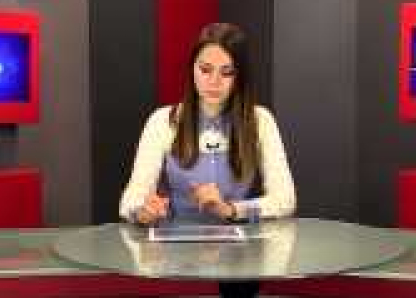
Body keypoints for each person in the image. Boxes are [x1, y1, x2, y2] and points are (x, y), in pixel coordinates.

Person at [119, 22, 296, 225]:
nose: (214, 81)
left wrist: (232, 209)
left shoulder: (261, 121)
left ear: (240, 76)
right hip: (174, 241)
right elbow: (130, 200)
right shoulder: (163, 120)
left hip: (239, 241)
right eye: (205, 70)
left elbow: (285, 200)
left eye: (226, 72)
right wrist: (143, 211)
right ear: (192, 70)